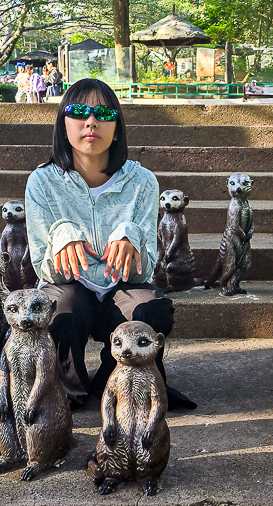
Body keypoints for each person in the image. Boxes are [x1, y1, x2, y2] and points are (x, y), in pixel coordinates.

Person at [25, 78, 196, 409]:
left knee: (152, 309)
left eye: (103, 113)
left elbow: (145, 268)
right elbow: (42, 269)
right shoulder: (43, 182)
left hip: (122, 288)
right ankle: (68, 388)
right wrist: (62, 234)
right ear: (63, 126)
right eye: (78, 111)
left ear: (116, 129)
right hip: (70, 287)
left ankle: (113, 379)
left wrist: (131, 232)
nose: (91, 121)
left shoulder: (142, 182)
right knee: (61, 309)